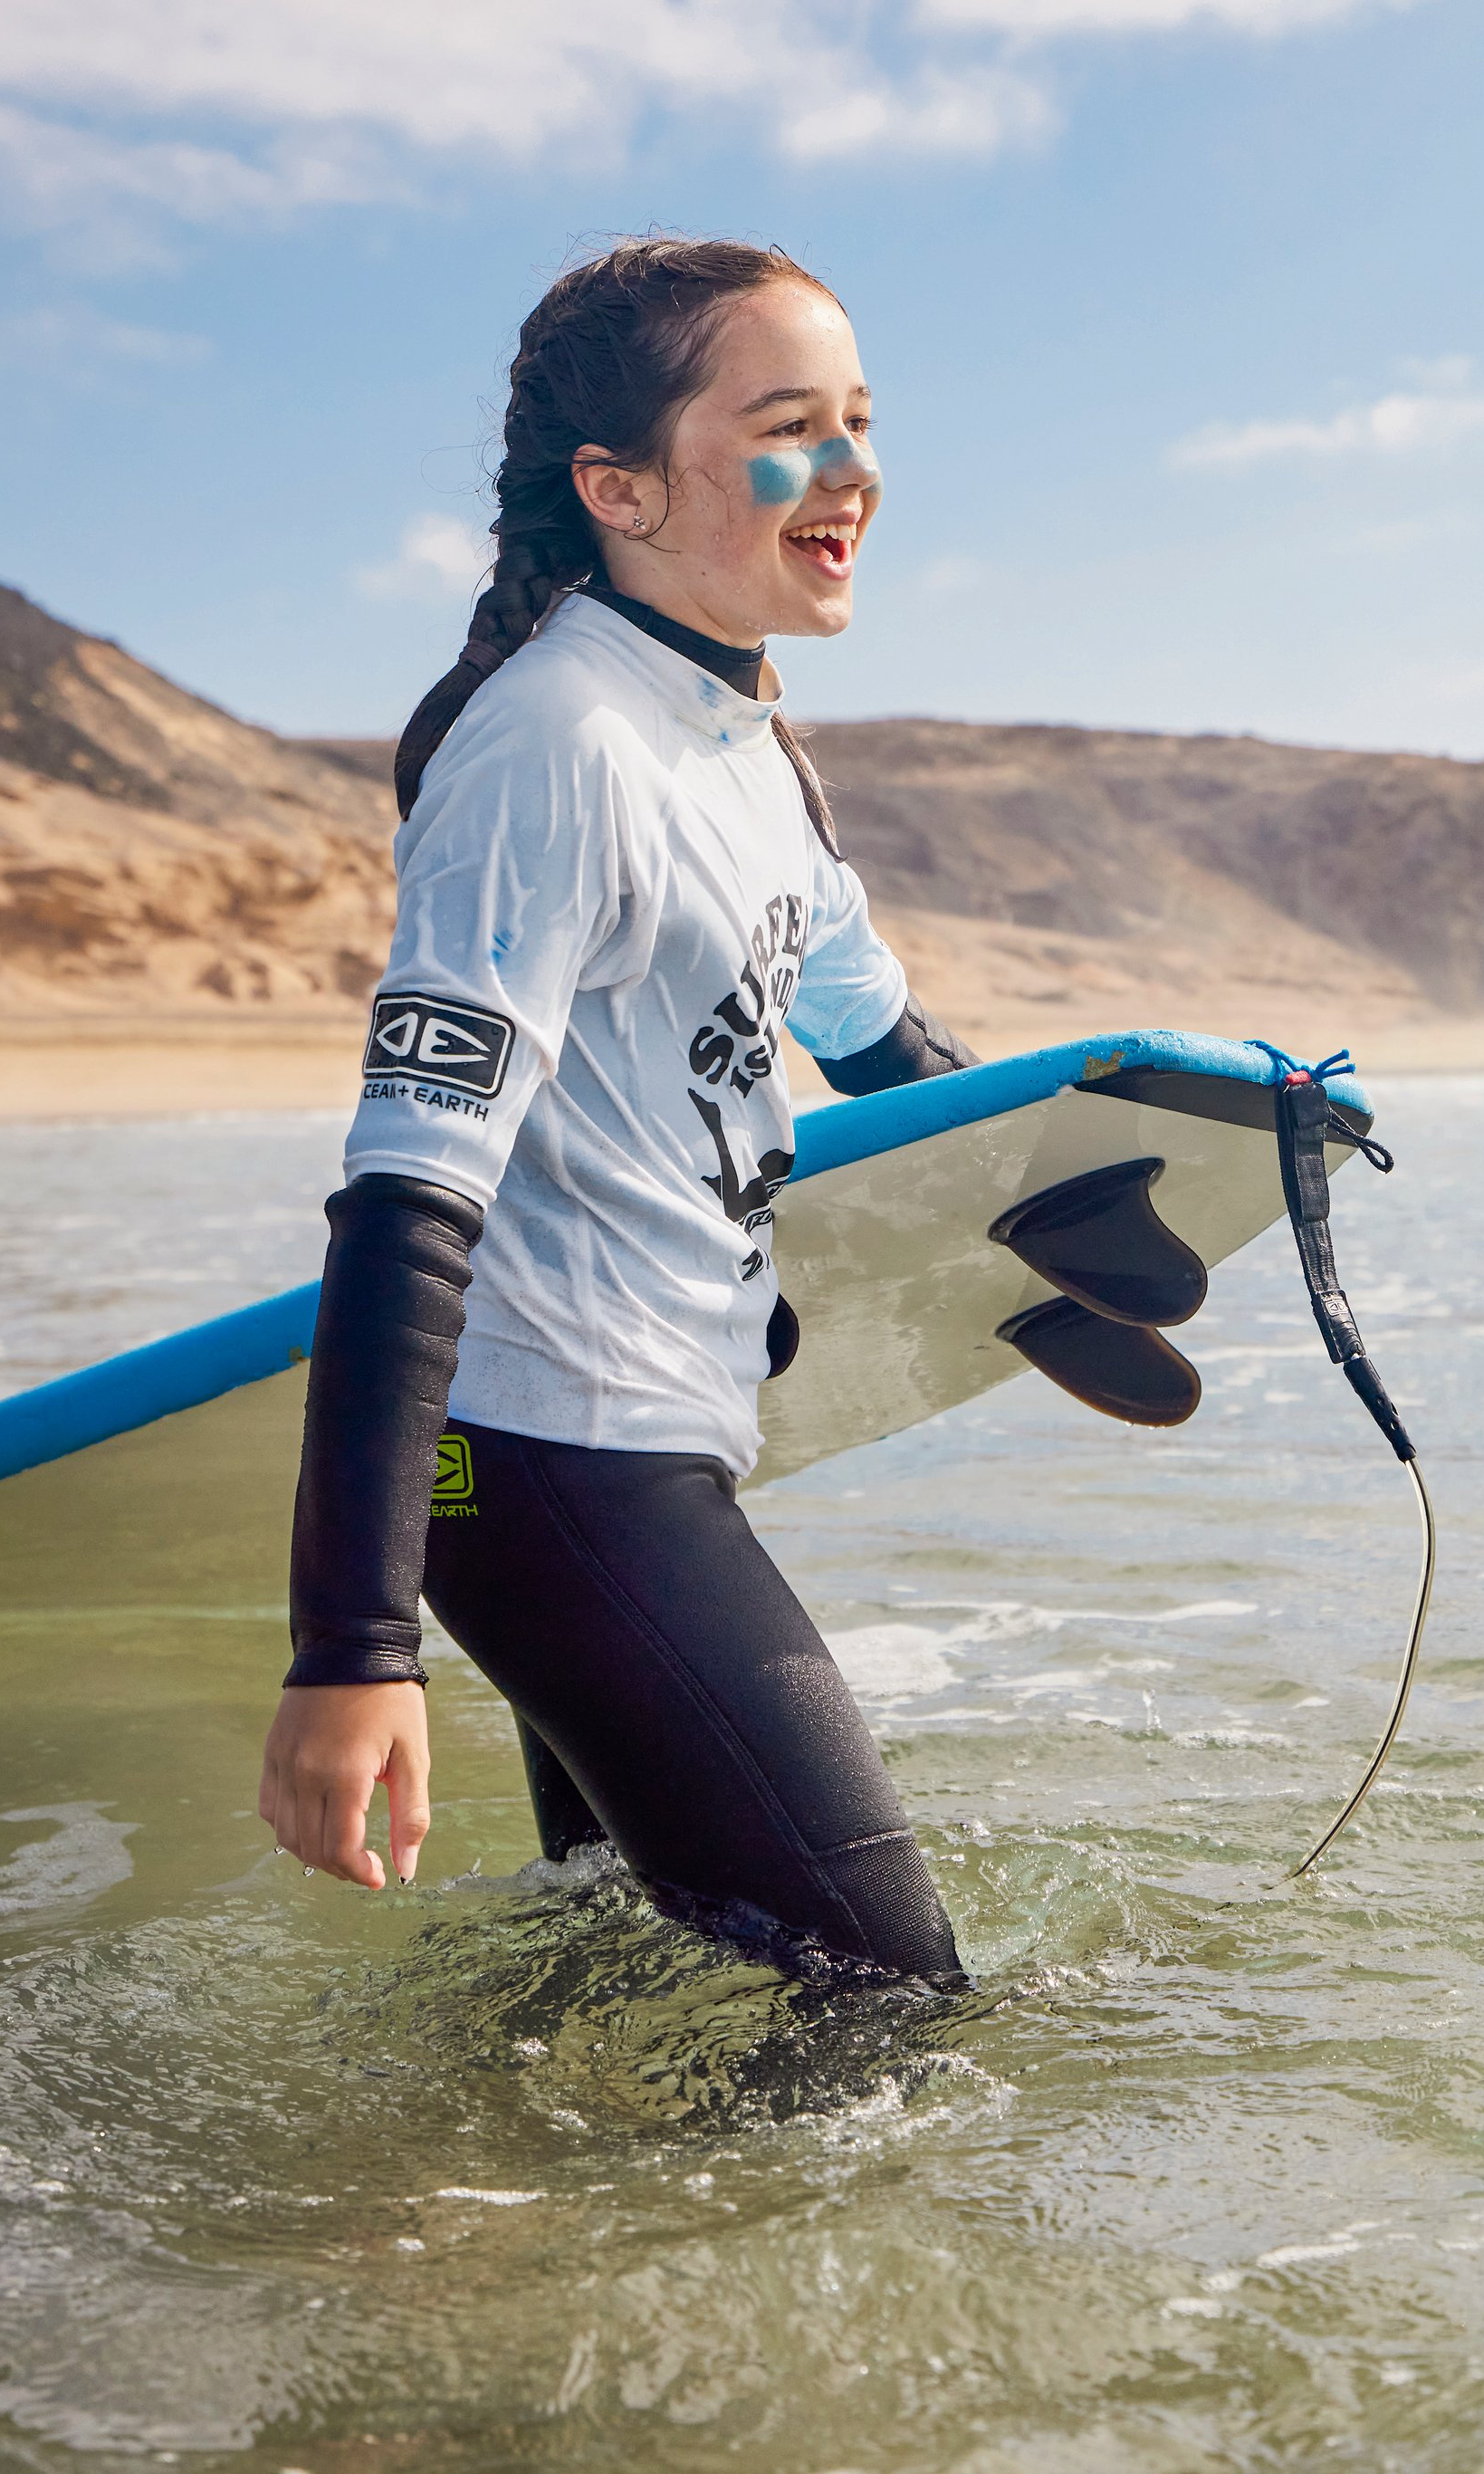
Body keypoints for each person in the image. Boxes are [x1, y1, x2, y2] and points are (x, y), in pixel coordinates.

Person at [256, 238, 981, 1985]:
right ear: (624, 488)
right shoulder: (556, 744)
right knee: (881, 2001)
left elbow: (890, 1052)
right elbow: (408, 1195)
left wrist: (1111, 1196)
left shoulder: (743, 750)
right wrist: (351, 1650)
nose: (855, 470)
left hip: (644, 1442)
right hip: (545, 1462)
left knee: (652, 1964)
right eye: (790, 426)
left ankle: (476, 2237)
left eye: (863, 421)